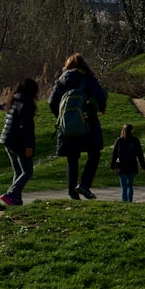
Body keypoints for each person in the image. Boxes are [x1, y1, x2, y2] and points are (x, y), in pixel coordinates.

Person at [49, 53, 108, 200]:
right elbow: (100, 96)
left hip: (67, 127)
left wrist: (64, 118)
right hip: (88, 124)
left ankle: (72, 193)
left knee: (72, 158)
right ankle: (84, 185)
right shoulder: (87, 78)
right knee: (94, 154)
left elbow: (51, 102)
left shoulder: (61, 81)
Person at [0, 78, 39, 206]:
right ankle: (11, 194)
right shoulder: (26, 104)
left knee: (18, 171)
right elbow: (25, 126)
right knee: (28, 171)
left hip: (7, 140)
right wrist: (29, 146)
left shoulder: (13, 101)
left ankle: (16, 200)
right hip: (18, 141)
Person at [110, 123, 145, 203]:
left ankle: (124, 200)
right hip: (132, 164)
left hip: (121, 165)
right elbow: (140, 154)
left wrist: (112, 166)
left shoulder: (119, 140)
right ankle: (130, 200)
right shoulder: (135, 140)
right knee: (130, 184)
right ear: (132, 130)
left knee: (124, 185)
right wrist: (143, 166)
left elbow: (114, 154)